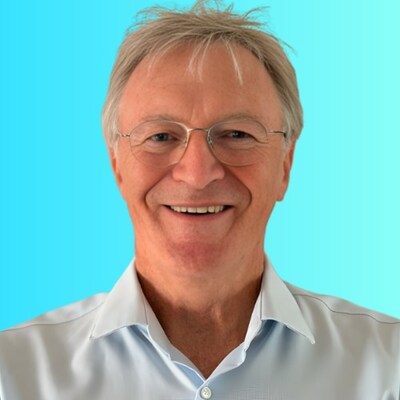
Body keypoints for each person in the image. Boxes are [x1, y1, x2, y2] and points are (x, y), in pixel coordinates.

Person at [0, 1, 399, 399]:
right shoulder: (14, 374)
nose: (197, 173)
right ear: (117, 164)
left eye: (237, 134)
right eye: (160, 136)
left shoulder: (387, 366)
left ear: (285, 164)